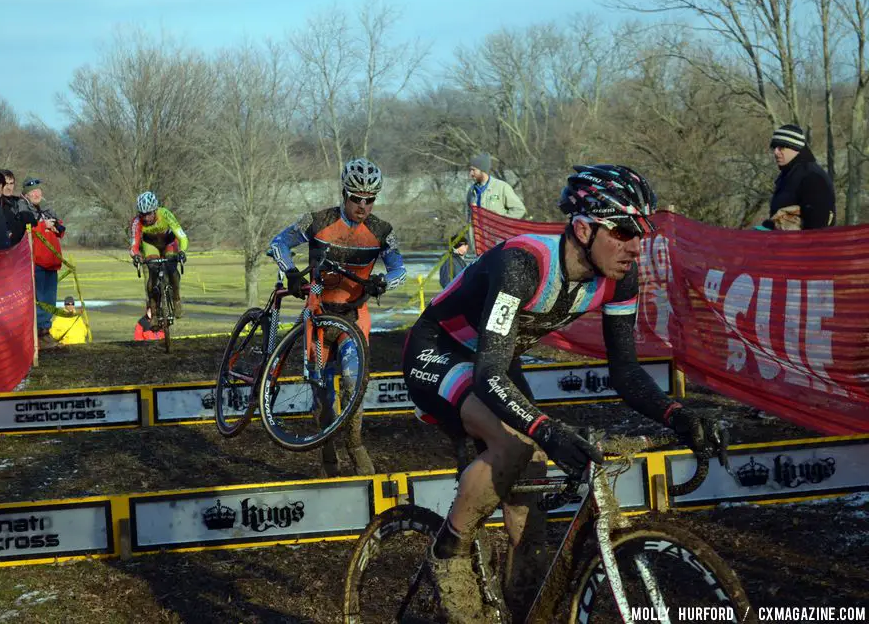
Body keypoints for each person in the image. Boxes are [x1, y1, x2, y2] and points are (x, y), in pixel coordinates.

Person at [403, 164, 720, 622]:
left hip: (494, 358)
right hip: (440, 350)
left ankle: (523, 608)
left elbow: (626, 372)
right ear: (584, 228)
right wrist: (545, 429)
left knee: (529, 513)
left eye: (643, 231)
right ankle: (447, 557)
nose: (637, 244)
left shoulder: (620, 276)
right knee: (519, 442)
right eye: (625, 230)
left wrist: (678, 416)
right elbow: (489, 375)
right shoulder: (522, 264)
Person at [268, 157, 406, 477]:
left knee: (352, 379)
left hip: (354, 318)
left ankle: (355, 445)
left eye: (370, 199)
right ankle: (327, 446)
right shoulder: (317, 221)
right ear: (344, 193)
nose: (363, 205)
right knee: (321, 396)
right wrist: (289, 271)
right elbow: (279, 243)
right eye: (356, 197)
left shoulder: (382, 230)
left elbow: (400, 267)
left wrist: (383, 281)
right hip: (316, 317)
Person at [757, 124, 836, 230]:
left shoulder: (812, 177)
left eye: (781, 147)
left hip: (806, 245)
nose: (776, 152)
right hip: (787, 243)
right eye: (774, 147)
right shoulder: (789, 174)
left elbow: (818, 224)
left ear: (796, 148)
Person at [129, 191, 188, 318]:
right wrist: (136, 256)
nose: (146, 218)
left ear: (155, 210)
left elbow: (182, 236)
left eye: (149, 213)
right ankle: (153, 309)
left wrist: (182, 251)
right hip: (150, 245)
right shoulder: (136, 222)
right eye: (142, 214)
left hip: (169, 242)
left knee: (172, 268)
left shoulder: (165, 214)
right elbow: (134, 244)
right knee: (153, 270)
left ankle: (176, 299)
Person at [23, 177, 66, 345]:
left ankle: (46, 330)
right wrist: (43, 226)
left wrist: (55, 226)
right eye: (32, 192)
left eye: (38, 191)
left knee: (49, 300)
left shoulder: (47, 210)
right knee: (40, 300)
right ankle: (39, 333)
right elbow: (27, 232)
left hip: (51, 262)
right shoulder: (25, 211)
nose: (36, 194)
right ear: (26, 195)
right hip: (37, 263)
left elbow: (61, 229)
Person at [466, 152, 526, 220]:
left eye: (473, 170)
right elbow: (468, 215)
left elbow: (520, 209)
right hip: (478, 230)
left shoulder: (502, 187)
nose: (471, 173)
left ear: (482, 170)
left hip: (497, 230)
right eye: (470, 170)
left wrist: (501, 221)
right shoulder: (471, 191)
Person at [0, 170, 36, 244]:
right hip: (4, 248)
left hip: (21, 247)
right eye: (5, 184)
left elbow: (32, 223)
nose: (9, 187)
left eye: (11, 183)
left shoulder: (18, 201)